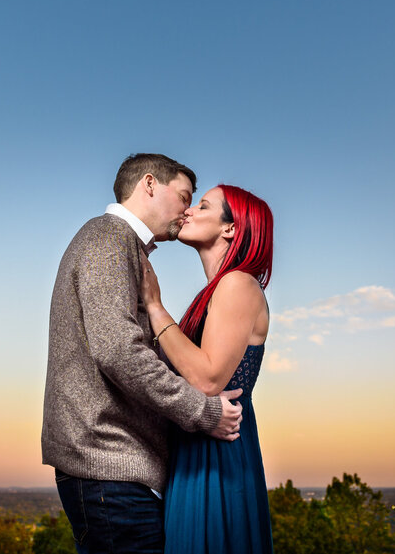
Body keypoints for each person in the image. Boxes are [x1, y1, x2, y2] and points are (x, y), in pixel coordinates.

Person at [42, 153, 245, 554]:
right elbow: (118, 350)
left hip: (114, 470)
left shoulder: (123, 246)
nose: (187, 210)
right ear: (150, 184)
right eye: (185, 196)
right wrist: (203, 412)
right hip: (107, 468)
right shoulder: (109, 239)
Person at [141, 184, 275, 554]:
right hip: (197, 446)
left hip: (219, 455)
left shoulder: (238, 283)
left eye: (202, 206)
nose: (189, 211)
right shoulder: (217, 290)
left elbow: (207, 378)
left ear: (230, 228)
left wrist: (155, 308)